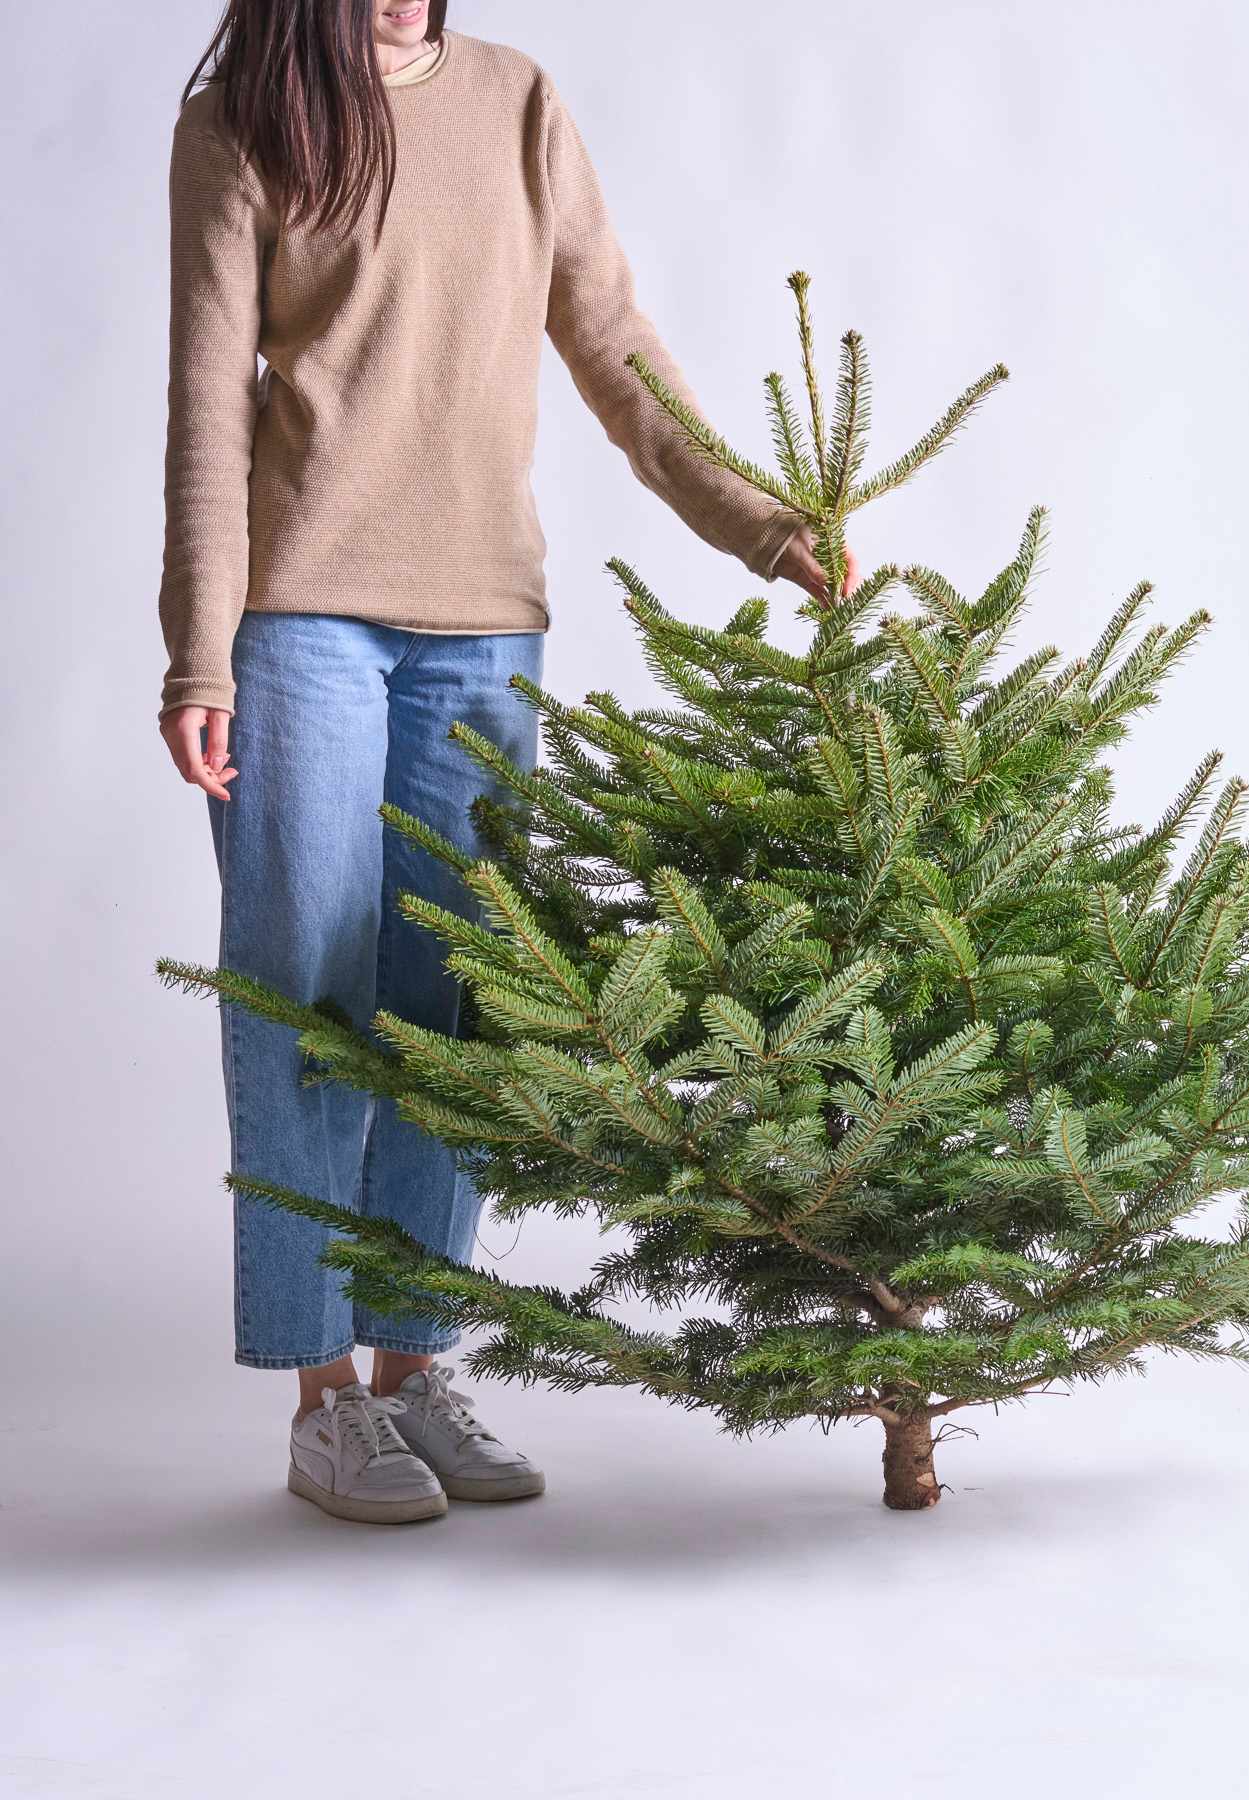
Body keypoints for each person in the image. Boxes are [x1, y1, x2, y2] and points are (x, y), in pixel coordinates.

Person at [156, 0, 856, 1525]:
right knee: (312, 991)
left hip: (486, 624)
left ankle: (413, 1368)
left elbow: (612, 344)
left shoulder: (519, 100)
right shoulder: (239, 125)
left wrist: (759, 520)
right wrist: (199, 650)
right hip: (299, 622)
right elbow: (210, 403)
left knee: (462, 1004)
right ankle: (322, 1397)